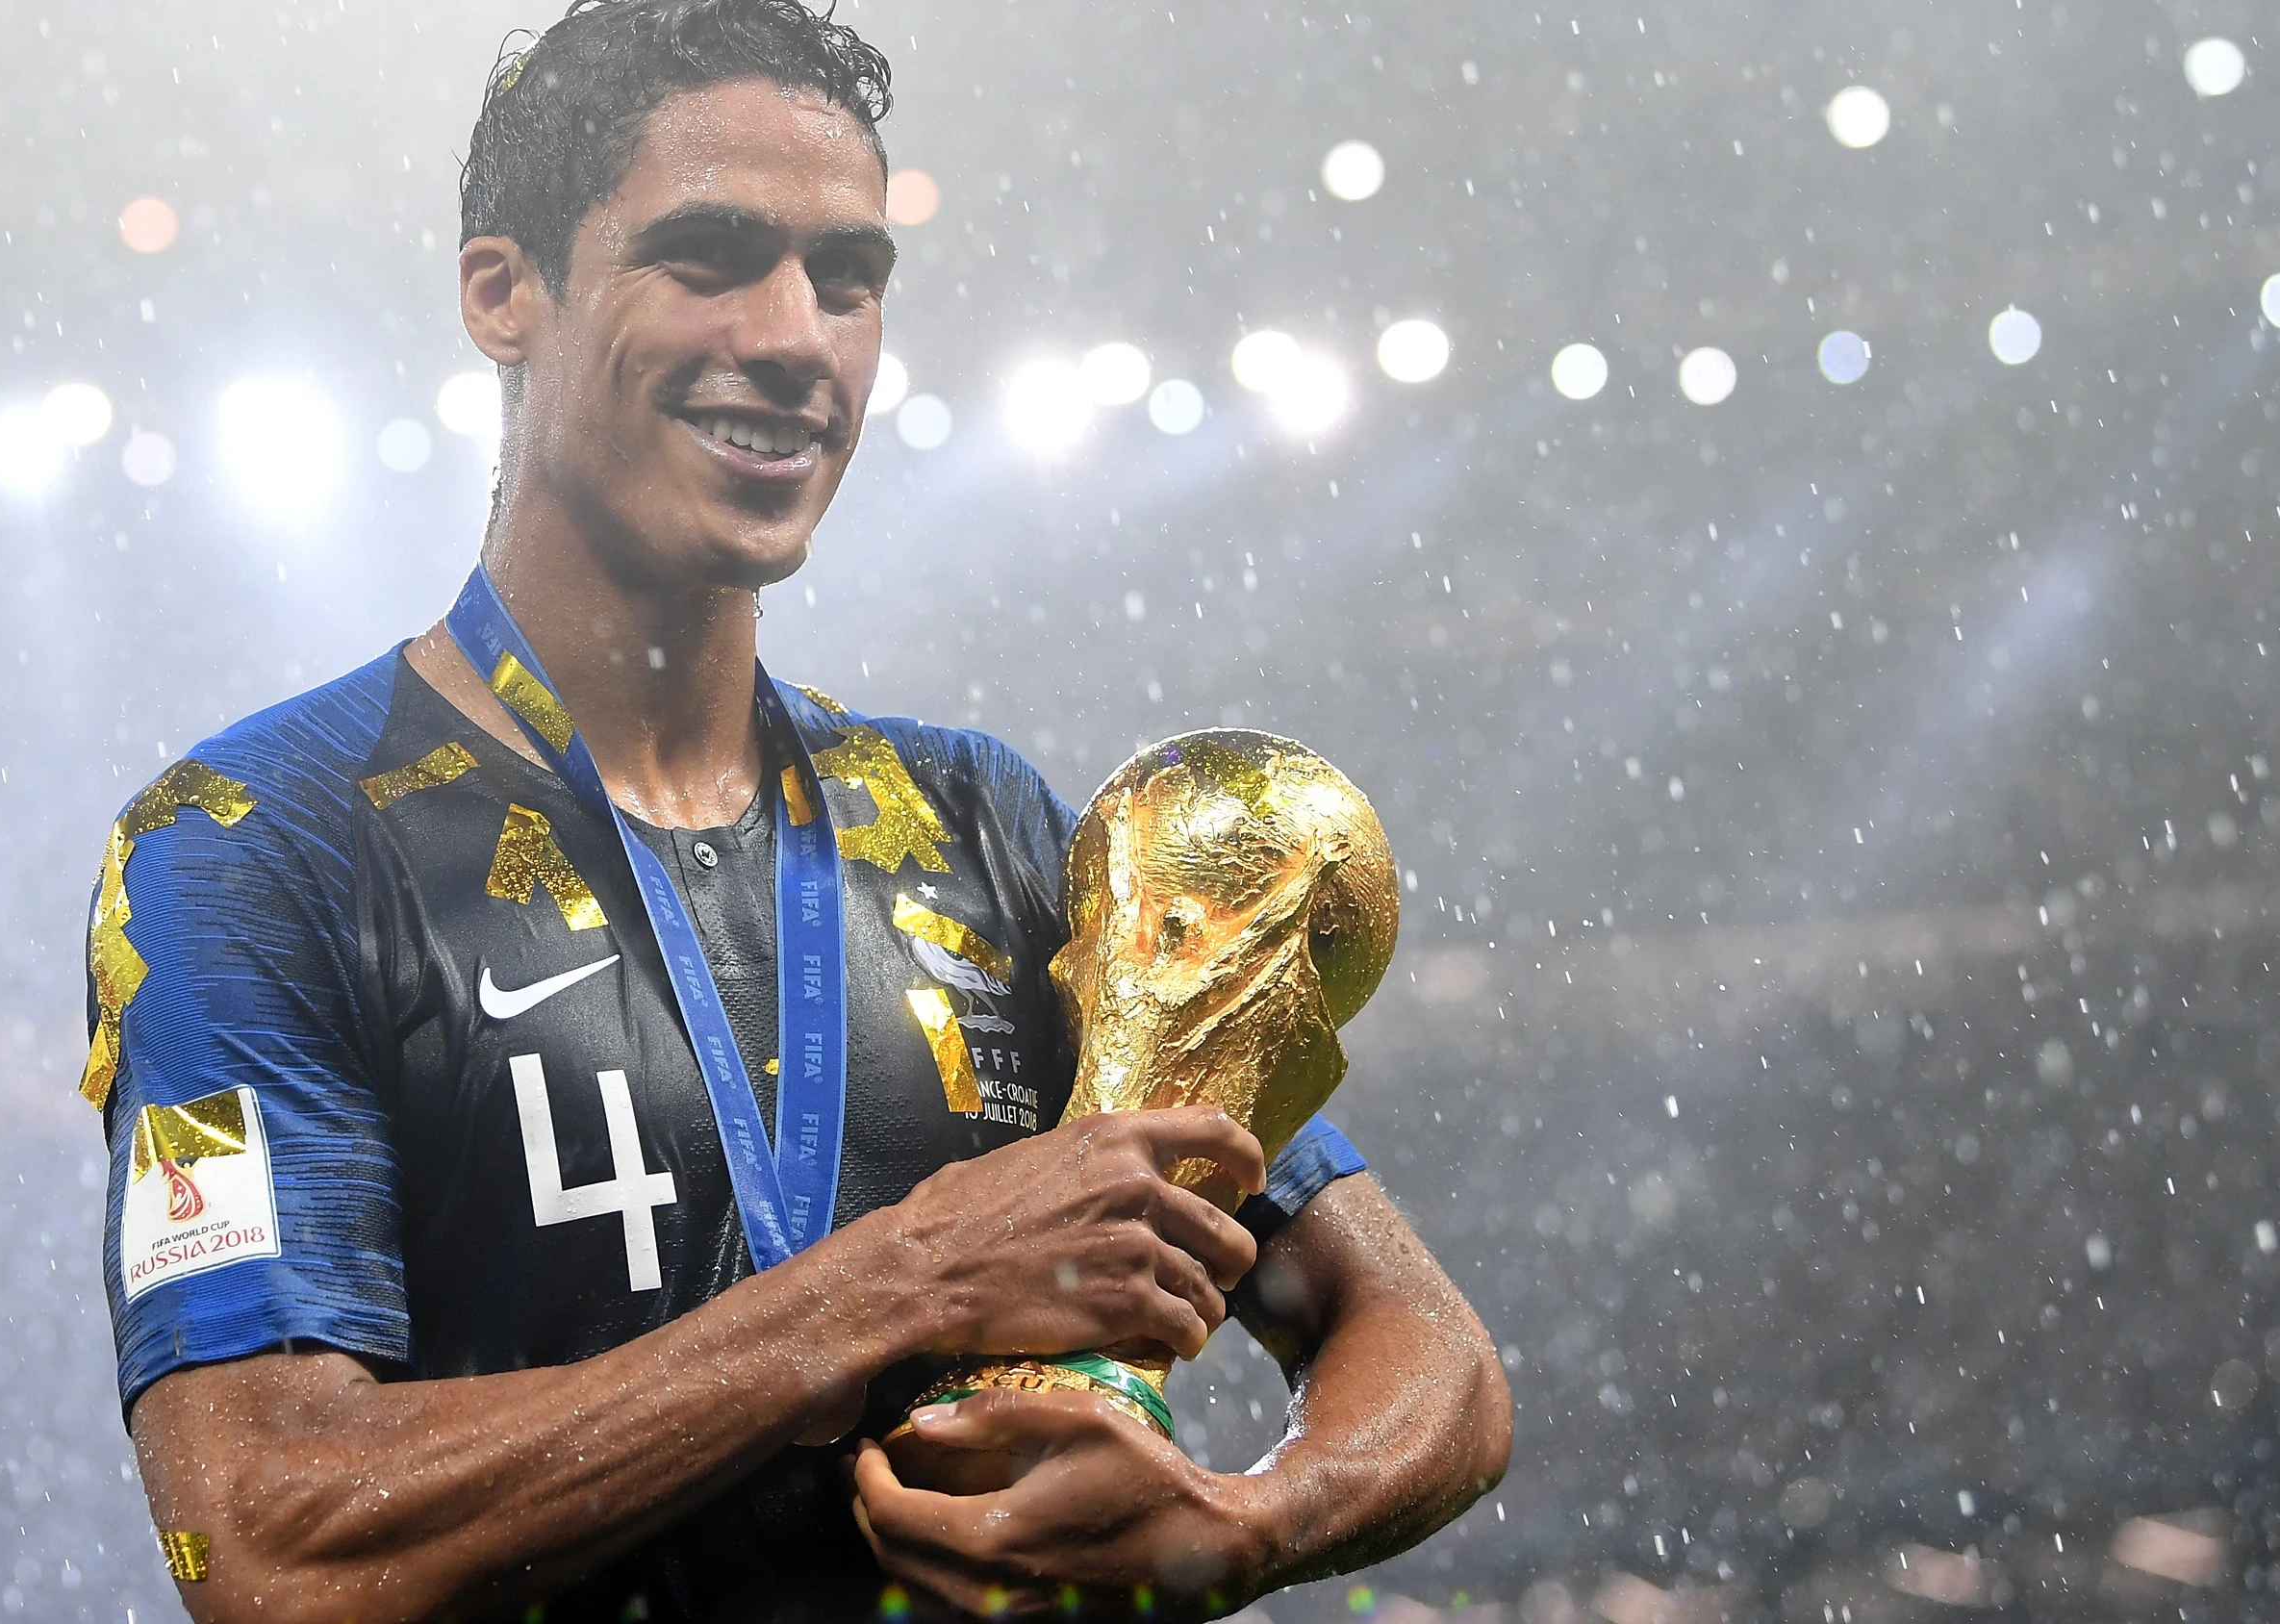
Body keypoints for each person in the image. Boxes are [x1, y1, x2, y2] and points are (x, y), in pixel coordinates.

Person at [83, 2, 1509, 1617]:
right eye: (709, 257)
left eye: (848, 279)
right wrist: (901, 1282)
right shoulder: (248, 849)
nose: (797, 337)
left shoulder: (984, 827)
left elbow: (1440, 1363)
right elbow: (267, 1540)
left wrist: (1241, 1527)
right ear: (504, 291)